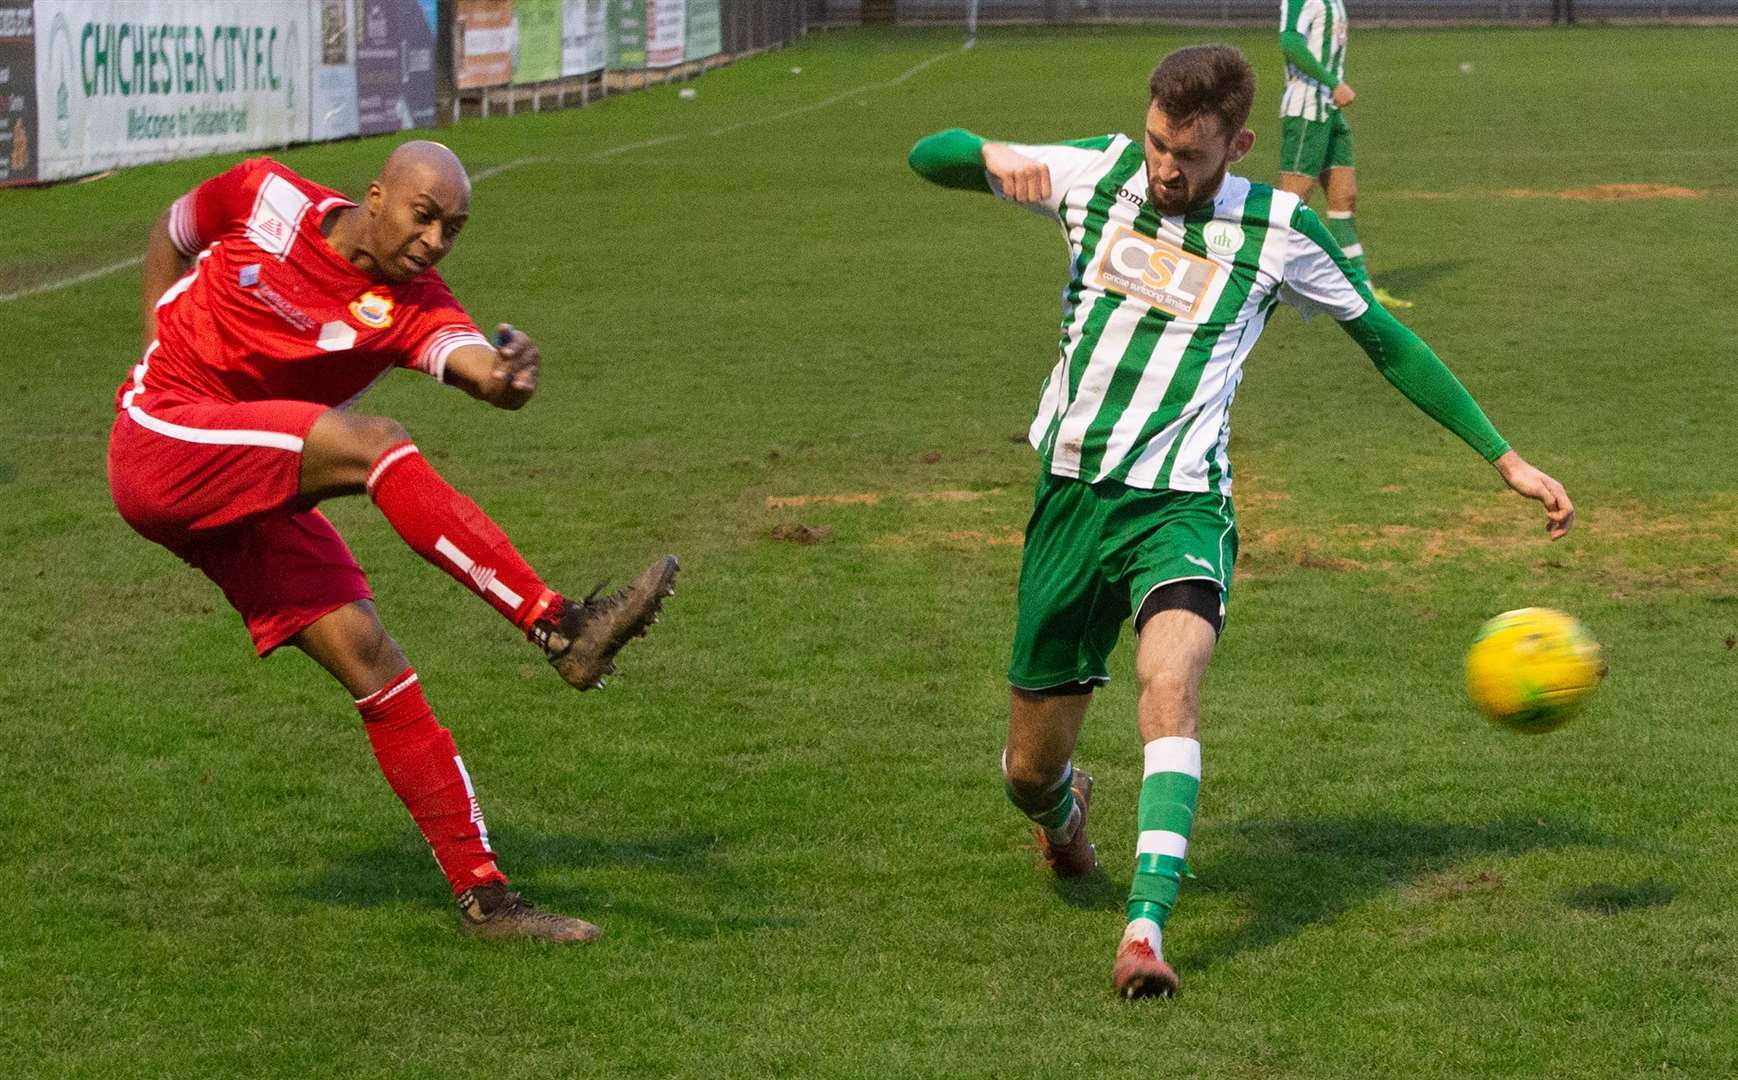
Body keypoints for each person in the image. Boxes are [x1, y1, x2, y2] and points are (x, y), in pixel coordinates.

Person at [907, 45, 1573, 999]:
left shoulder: (1278, 228)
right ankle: (1063, 819)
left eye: (1190, 154)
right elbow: (925, 155)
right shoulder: (1098, 172)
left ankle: (1145, 931)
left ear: (1240, 143)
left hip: (1181, 505)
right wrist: (981, 150)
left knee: (1168, 677)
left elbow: (1388, 342)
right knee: (1026, 772)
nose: (1167, 169)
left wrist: (1504, 457)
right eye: (1157, 144)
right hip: (1068, 505)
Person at [107, 140, 679, 943]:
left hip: (248, 484)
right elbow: (172, 230)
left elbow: (470, 362)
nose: (436, 240)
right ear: (376, 195)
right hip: (161, 437)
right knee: (376, 443)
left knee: (375, 661)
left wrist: (505, 375)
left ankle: (486, 900)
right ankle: (558, 625)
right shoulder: (262, 193)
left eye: (455, 229)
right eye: (425, 216)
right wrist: (156, 341)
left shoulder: (414, 306)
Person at [1276, 0, 1410, 308]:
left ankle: (1361, 287)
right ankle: (1258, 279)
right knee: (1291, 202)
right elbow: (1290, 42)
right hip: (1306, 109)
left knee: (1344, 197)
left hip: (1330, 111)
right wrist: (1333, 82)